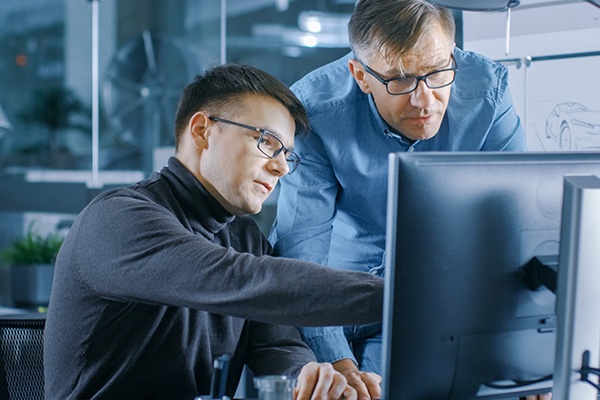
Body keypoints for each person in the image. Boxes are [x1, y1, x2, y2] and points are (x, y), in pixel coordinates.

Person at [43, 63, 384, 400]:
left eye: (287, 155)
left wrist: (305, 378)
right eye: (266, 141)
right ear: (202, 130)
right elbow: (241, 280)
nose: (280, 167)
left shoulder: (246, 238)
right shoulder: (117, 219)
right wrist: (401, 297)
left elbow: (277, 343)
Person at [269, 1, 552, 399]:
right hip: (329, 304)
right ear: (361, 76)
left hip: (432, 305)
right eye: (400, 80)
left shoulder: (488, 92)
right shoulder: (315, 111)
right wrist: (337, 363)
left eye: (437, 72)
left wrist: (526, 353)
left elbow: (517, 229)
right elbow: (302, 255)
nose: (424, 100)